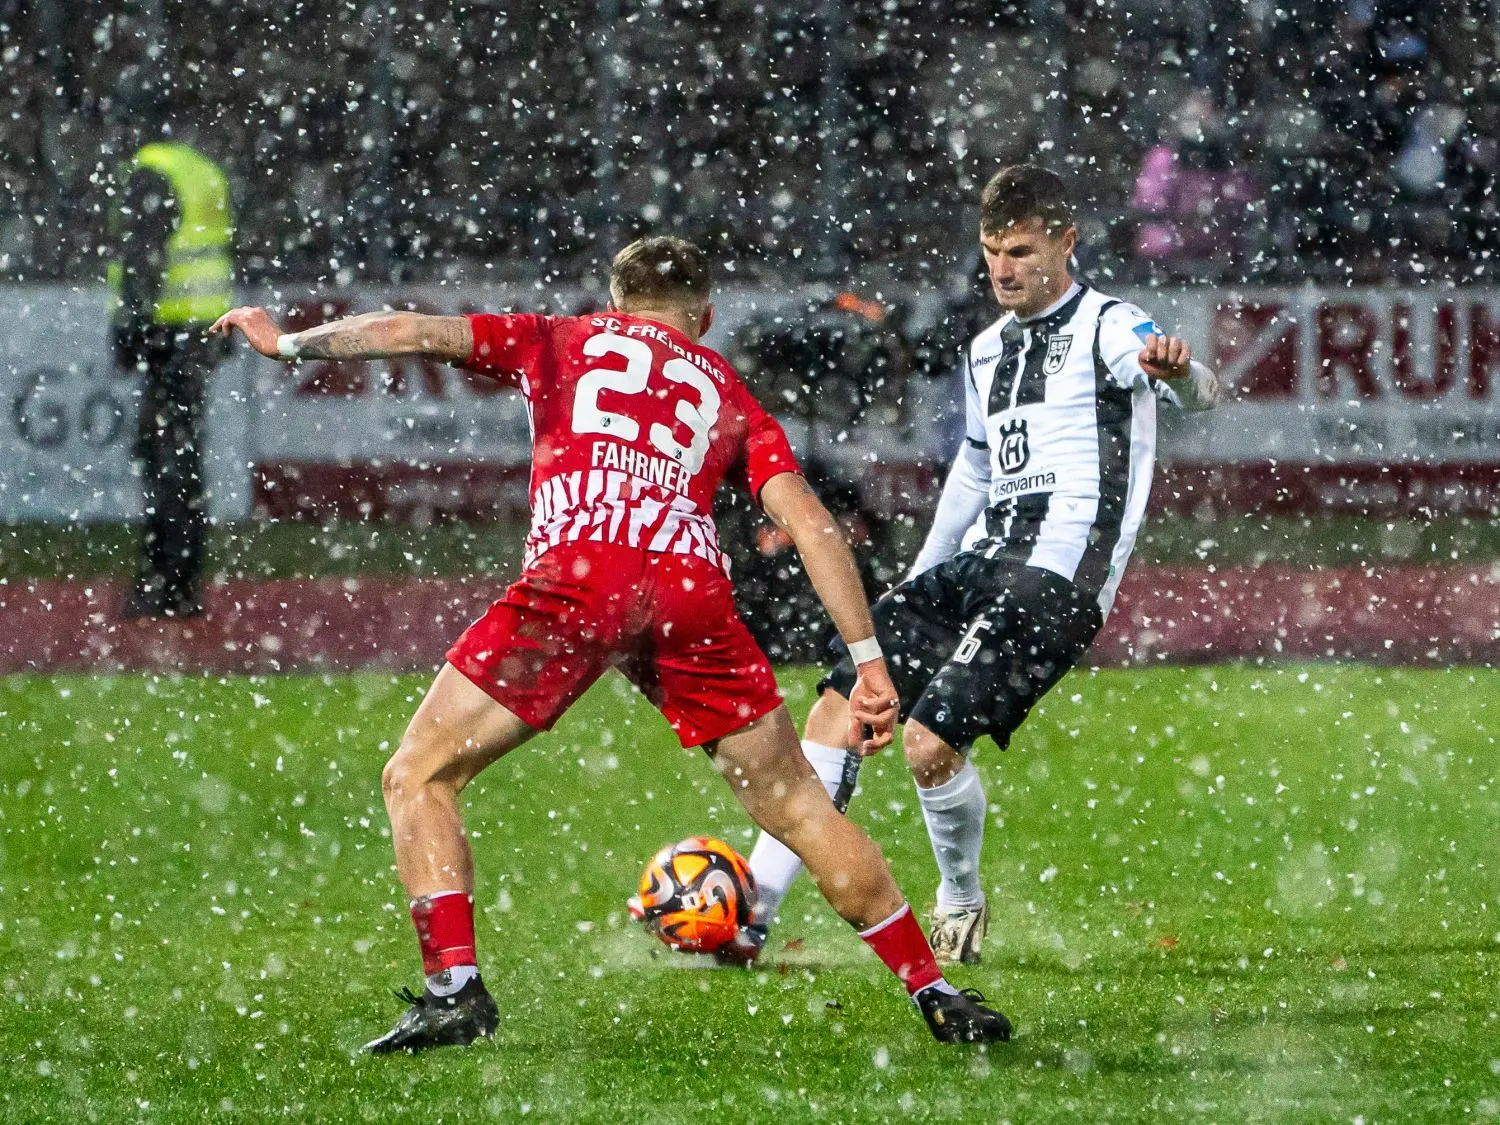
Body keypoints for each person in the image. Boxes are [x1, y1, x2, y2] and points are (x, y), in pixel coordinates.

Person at [211, 236, 1013, 1052]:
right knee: (800, 805)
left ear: (613, 298)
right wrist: (870, 661)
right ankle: (936, 990)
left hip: (580, 578)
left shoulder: (558, 338)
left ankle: (455, 987)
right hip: (688, 593)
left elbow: (411, 330)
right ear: (706, 315)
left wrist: (289, 343)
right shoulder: (726, 388)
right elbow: (808, 521)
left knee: (418, 773)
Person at [732, 165, 1222, 968]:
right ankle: (748, 915)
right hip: (981, 561)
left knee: (928, 744)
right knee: (839, 704)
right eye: (993, 250)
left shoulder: (1111, 325)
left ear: (1066, 243)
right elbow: (975, 468)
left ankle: (959, 899)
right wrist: (916, 580)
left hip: (1056, 579)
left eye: (1022, 251)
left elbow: (1202, 392)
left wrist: (1179, 371)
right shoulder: (988, 347)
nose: (1003, 268)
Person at [109, 136, 234, 618]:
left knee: (163, 458)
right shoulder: (202, 170)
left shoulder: (150, 170)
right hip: (200, 329)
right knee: (181, 457)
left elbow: (146, 250)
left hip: (168, 333)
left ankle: (163, 581)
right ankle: (181, 580)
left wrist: (130, 326)